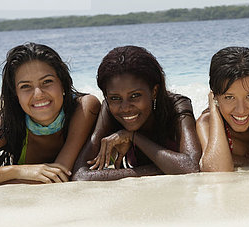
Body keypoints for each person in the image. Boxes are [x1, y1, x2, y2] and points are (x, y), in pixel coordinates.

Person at [0, 42, 100, 190]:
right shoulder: (9, 123)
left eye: (47, 82)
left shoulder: (83, 107)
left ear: (63, 84)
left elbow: (58, 175)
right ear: (15, 94)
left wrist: (6, 181)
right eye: (25, 86)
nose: (38, 94)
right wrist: (14, 171)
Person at [71, 46, 200, 180]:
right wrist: (163, 168)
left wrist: (133, 137)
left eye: (135, 95)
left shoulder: (177, 105)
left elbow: (190, 167)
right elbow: (80, 175)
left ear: (154, 91)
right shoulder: (109, 110)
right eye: (115, 98)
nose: (125, 108)